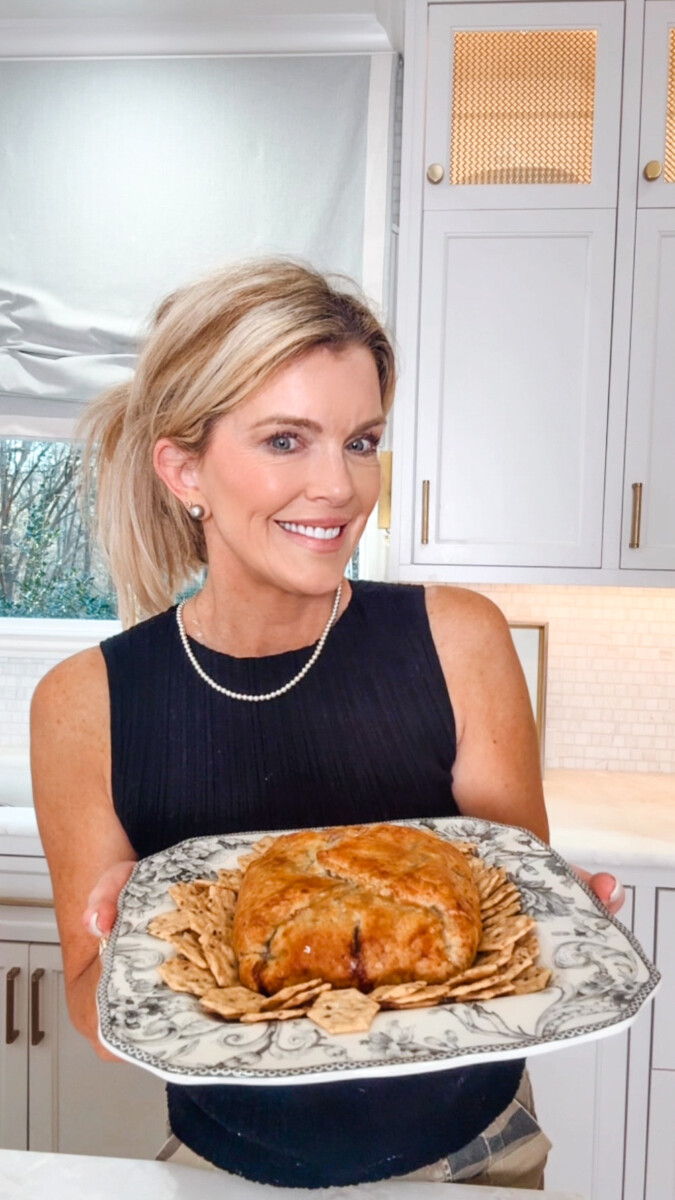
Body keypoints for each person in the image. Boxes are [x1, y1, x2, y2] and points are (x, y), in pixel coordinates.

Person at [30, 258, 624, 1190]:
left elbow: (515, 926)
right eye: (284, 441)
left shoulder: (458, 639)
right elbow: (91, 1010)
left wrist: (557, 921)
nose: (339, 487)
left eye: (360, 440)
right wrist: (130, 947)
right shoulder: (83, 702)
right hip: (227, 1166)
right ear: (185, 468)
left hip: (474, 1156)